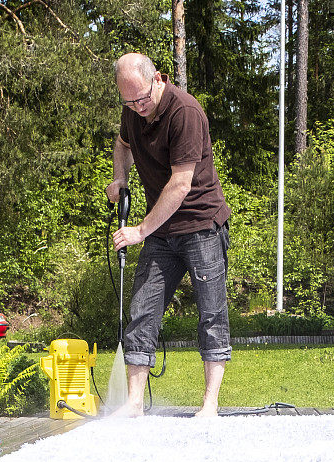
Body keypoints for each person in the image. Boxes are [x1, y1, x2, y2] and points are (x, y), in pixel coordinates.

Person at [106, 53, 231, 417]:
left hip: (201, 224)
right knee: (143, 310)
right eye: (129, 101)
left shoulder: (185, 113)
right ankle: (134, 403)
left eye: (143, 98)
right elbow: (123, 144)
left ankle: (209, 405)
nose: (138, 107)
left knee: (211, 314)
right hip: (163, 231)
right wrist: (120, 177)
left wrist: (141, 230)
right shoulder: (133, 110)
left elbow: (180, 184)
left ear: (158, 79)